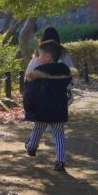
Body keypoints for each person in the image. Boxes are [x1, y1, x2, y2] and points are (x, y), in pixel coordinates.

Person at [22, 40, 76, 171]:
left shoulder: (38, 72)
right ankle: (60, 161)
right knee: (58, 133)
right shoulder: (64, 71)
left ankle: (31, 147)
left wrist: (28, 106)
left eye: (39, 54)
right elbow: (68, 85)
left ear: (47, 56)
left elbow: (31, 92)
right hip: (59, 107)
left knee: (38, 127)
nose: (37, 57)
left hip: (42, 107)